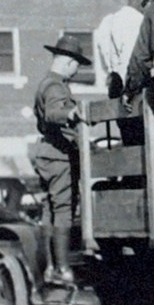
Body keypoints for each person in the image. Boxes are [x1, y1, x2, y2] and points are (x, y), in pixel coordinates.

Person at [33, 35, 92, 284]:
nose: (77, 70)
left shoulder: (46, 83)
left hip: (48, 153)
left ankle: (50, 267)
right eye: (77, 65)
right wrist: (72, 113)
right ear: (68, 62)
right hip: (59, 156)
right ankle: (62, 269)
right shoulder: (56, 86)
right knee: (64, 210)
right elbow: (53, 113)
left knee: (50, 210)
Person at [96, 0, 154, 99]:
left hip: (114, 85)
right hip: (133, 89)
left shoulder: (109, 21)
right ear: (144, 2)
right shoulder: (138, 22)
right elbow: (134, 58)